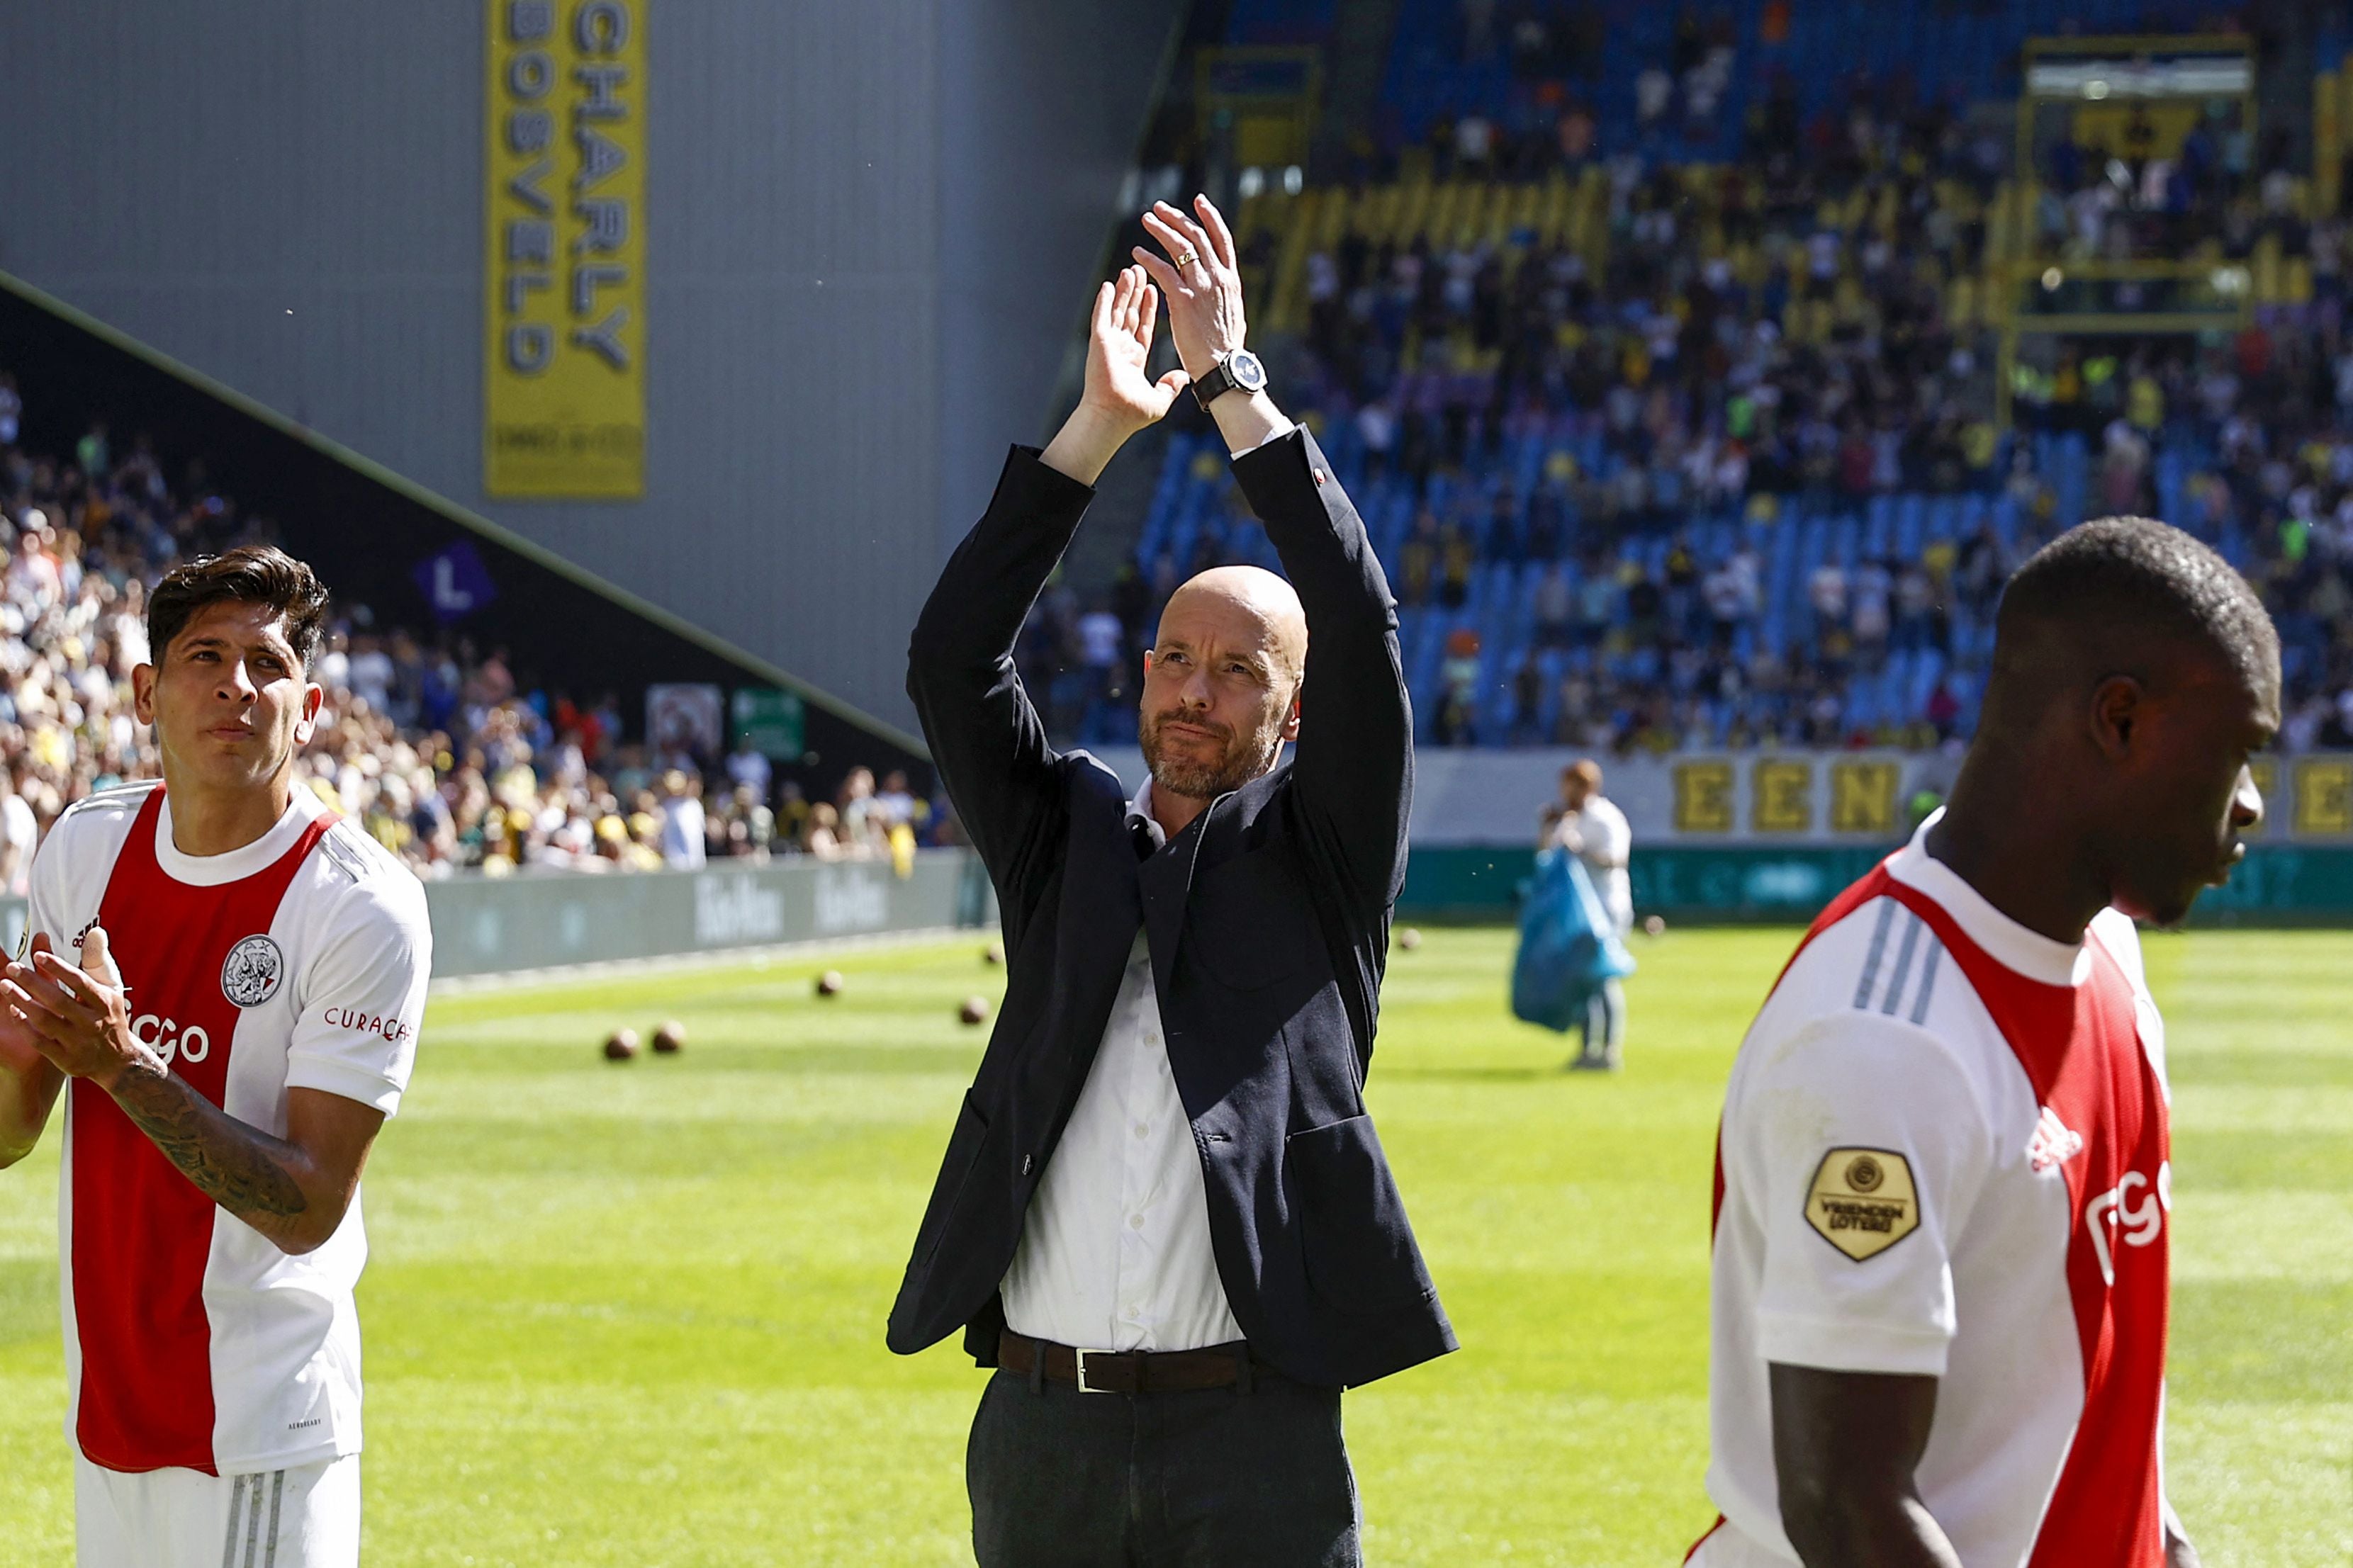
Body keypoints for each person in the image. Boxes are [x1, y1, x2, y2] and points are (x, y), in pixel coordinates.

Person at [889, 196, 1453, 1568]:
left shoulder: (1321, 852)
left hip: (1252, 1439)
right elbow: (952, 658)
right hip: (1041, 1426)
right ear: (1139, 670)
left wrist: (1231, 388)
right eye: (1174, 657)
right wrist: (1095, 433)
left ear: (1294, 712)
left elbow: (1363, 626)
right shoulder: (1059, 833)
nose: (1197, 689)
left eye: (1241, 667)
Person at [1690, 517, 2279, 1568]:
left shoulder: (2107, 954)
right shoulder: (1882, 1042)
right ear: (2121, 720)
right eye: (2237, 748)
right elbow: (1850, 1510)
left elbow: (2086, 1383)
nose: (2251, 802)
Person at [0, 546, 434, 1568]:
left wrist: (122, 1066)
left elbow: (310, 1202)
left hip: (256, 1429)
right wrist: (20, 1055)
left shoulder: (361, 904)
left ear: (312, 708)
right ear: (148, 689)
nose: (237, 684)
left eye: (267, 663)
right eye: (205, 656)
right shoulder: (83, 850)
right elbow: (11, 1133)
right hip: (108, 1409)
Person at [1541, 759, 1632, 1068]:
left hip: (1605, 908)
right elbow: (1545, 857)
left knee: (1603, 979)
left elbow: (1615, 860)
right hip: (1576, 911)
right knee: (1582, 981)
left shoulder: (1605, 818)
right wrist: (1548, 827)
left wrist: (1580, 850)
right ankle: (1587, 1049)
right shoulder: (1569, 819)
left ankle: (1608, 1051)